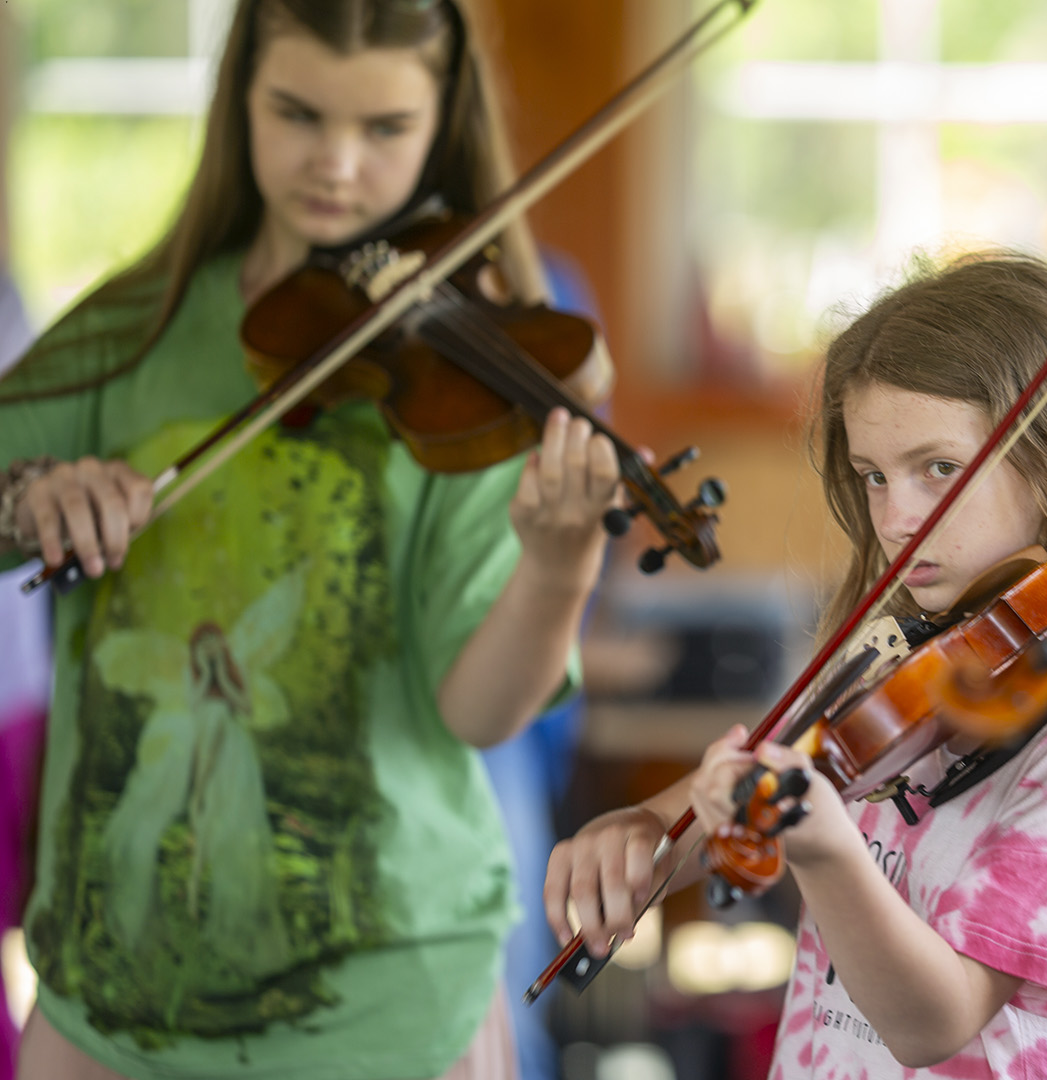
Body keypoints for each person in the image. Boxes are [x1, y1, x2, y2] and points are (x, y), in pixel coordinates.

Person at [0, 1, 626, 1076]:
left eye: (384, 128)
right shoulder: (131, 328)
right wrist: (33, 496)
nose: (336, 163)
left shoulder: (468, 368)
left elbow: (477, 714)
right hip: (111, 992)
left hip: (388, 1007)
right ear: (239, 98)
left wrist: (562, 563)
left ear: (442, 124)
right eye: (297, 113)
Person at [545, 252, 1047, 1077]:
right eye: (874, 476)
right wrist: (647, 831)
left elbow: (933, 1021)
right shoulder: (907, 656)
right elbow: (753, 793)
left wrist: (825, 852)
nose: (897, 517)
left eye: (938, 469)